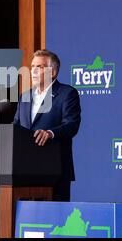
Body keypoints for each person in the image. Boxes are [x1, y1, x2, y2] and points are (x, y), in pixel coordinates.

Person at [13, 49, 81, 201]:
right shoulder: (24, 96)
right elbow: (15, 128)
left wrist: (50, 133)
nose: (34, 71)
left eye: (40, 67)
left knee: (55, 221)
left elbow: (72, 124)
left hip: (55, 170)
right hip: (24, 171)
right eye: (32, 67)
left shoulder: (67, 94)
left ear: (54, 72)